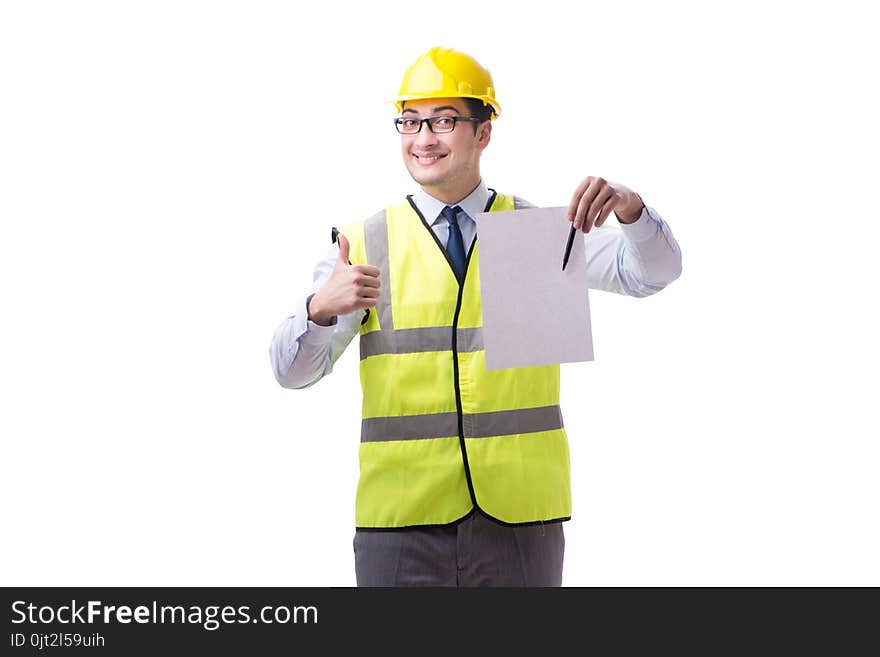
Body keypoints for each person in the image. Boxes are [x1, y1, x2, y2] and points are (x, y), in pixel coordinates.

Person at [270, 46, 682, 586]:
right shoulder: (364, 243)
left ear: (483, 132)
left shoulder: (537, 233)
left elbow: (653, 273)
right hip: (400, 524)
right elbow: (291, 373)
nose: (423, 138)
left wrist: (631, 208)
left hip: (520, 520)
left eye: (443, 120)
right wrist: (319, 310)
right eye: (410, 122)